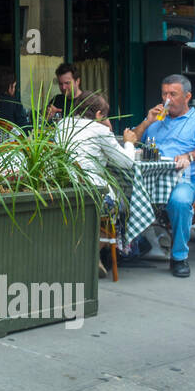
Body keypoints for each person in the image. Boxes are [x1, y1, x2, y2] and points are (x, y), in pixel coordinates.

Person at [122, 74, 195, 278]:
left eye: (173, 94)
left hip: (182, 178)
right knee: (121, 193)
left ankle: (179, 257)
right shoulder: (157, 118)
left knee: (180, 202)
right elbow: (132, 141)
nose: (167, 99)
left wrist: (189, 156)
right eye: (164, 93)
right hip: (149, 179)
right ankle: (128, 248)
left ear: (187, 96)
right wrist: (147, 122)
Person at [58, 92, 132, 276]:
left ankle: (87, 255)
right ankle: (93, 254)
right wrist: (129, 143)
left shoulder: (62, 124)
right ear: (99, 114)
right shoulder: (99, 130)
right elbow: (126, 162)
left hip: (64, 190)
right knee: (123, 206)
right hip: (93, 194)